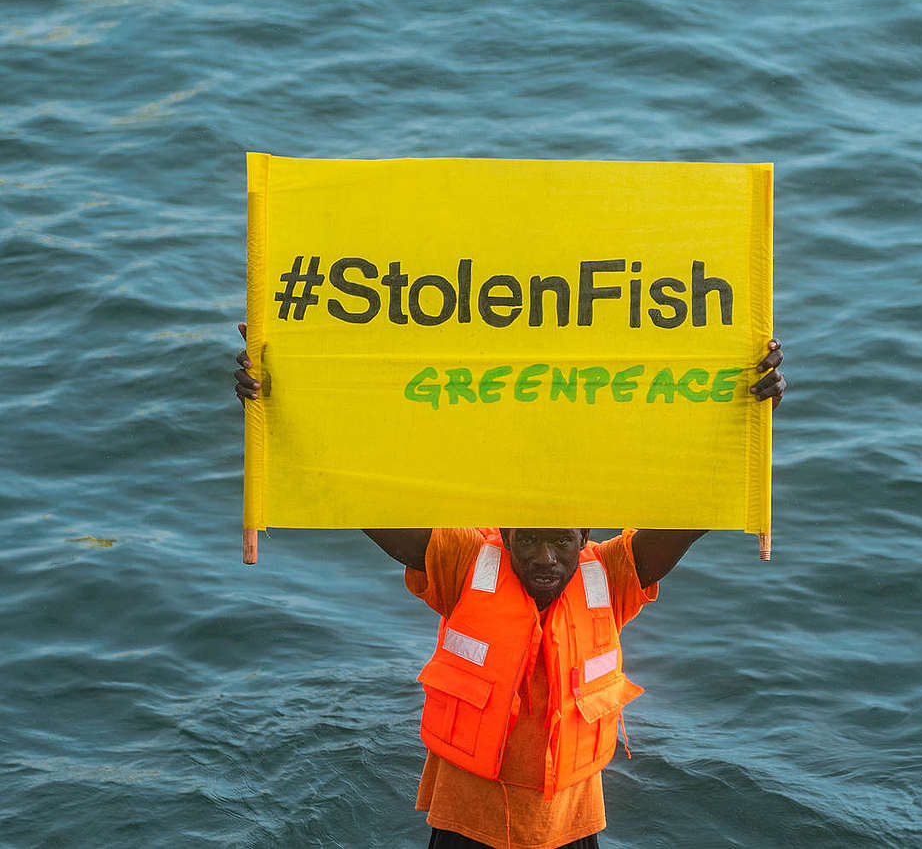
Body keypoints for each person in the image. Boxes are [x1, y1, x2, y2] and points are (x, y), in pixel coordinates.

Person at [234, 328, 786, 849]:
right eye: (527, 542)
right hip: (465, 817)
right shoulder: (463, 562)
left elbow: (697, 512)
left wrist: (751, 418)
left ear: (586, 536)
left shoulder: (613, 575)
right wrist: (281, 406)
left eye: (560, 543)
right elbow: (355, 495)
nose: (544, 559)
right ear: (503, 533)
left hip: (569, 822)